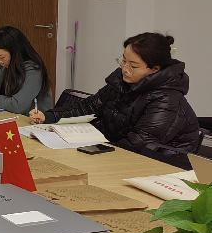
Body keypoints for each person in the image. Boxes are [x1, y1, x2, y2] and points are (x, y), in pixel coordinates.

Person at [29, 33, 200, 169]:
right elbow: (91, 105)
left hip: (161, 164)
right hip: (116, 150)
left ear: (155, 69)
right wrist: (50, 116)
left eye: (133, 66)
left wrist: (95, 150)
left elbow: (139, 143)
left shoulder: (167, 99)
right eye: (123, 61)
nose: (125, 69)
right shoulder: (121, 82)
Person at [0, 26, 53, 115]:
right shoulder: (4, 64)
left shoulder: (34, 71)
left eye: (2, 57)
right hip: (7, 114)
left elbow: (18, 106)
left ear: (15, 52)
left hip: (31, 120)